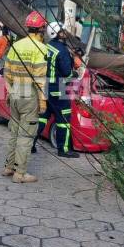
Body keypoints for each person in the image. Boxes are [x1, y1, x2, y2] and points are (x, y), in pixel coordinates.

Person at [2, 11, 49, 184]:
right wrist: (42, 101)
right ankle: (20, 174)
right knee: (26, 136)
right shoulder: (41, 48)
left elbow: (6, 72)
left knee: (14, 132)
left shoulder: (16, 45)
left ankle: (8, 167)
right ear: (42, 28)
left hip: (14, 92)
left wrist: (9, 91)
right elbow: (40, 78)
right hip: (30, 95)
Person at [32, 22, 80, 158]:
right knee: (64, 120)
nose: (65, 32)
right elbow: (66, 73)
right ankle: (63, 149)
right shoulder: (62, 50)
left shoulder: (47, 47)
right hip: (59, 88)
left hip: (46, 87)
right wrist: (75, 73)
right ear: (57, 33)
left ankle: (30, 144)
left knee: (43, 117)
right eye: (63, 30)